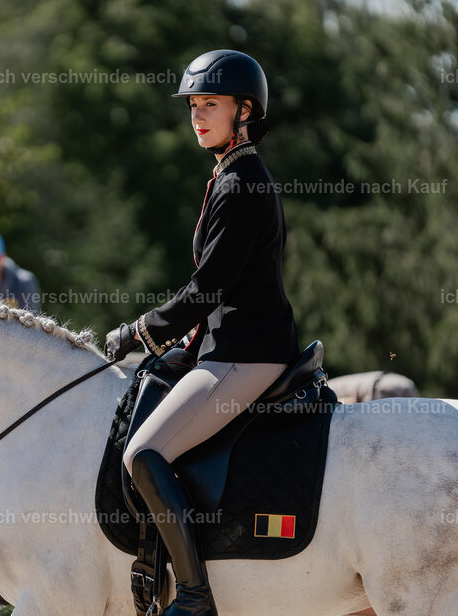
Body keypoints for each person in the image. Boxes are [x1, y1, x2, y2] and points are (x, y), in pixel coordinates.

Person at [105, 50, 299, 615]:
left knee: (142, 455)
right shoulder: (230, 175)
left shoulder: (241, 183)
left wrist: (143, 330)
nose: (197, 115)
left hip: (246, 354)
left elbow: (209, 288)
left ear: (245, 111)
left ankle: (194, 596)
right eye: (193, 105)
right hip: (226, 347)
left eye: (209, 104)